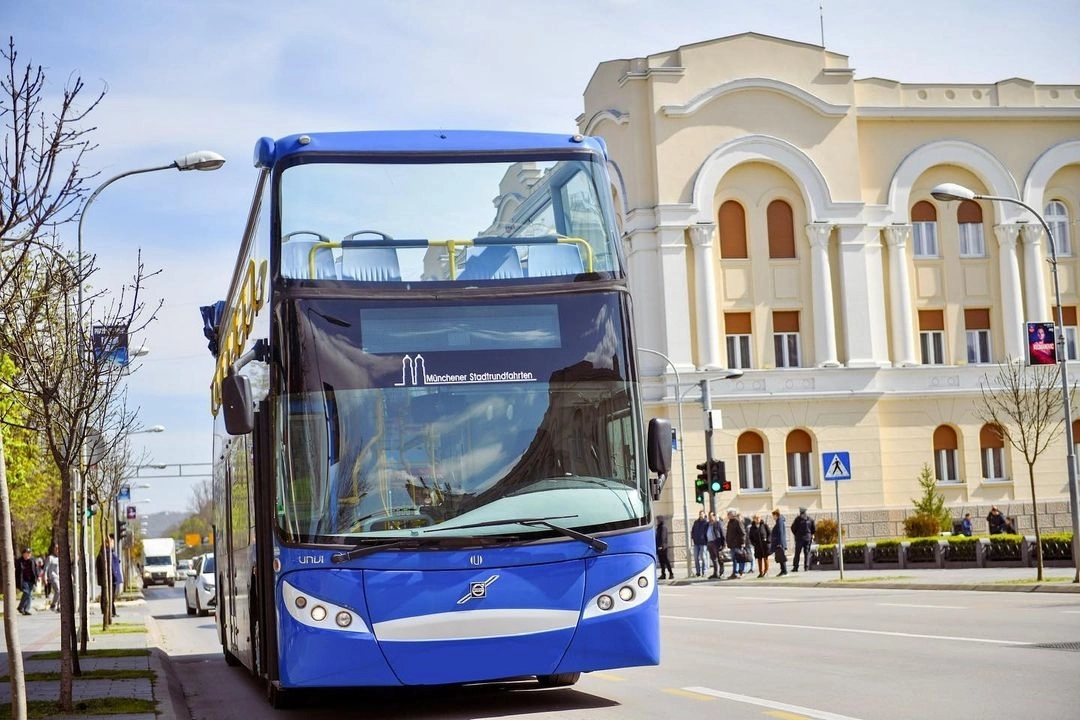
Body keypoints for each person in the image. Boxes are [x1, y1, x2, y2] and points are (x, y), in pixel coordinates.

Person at [95, 534, 123, 617]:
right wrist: (114, 577)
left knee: (110, 596)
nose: (113, 544)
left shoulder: (110, 552)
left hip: (111, 578)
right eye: (112, 543)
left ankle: (111, 611)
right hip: (108, 578)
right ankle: (107, 611)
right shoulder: (105, 554)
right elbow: (110, 567)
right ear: (107, 543)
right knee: (108, 596)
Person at [791, 507, 816, 572]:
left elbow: (793, 528)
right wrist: (811, 535)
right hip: (807, 538)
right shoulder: (810, 519)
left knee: (798, 553)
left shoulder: (797, 519)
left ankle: (796, 567)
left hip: (800, 538)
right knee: (806, 553)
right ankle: (806, 567)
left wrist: (796, 534)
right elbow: (813, 529)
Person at [725, 510, 746, 579]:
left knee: (740, 558)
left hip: (738, 544)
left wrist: (743, 542)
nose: (728, 516)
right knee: (734, 559)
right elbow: (728, 533)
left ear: (732, 515)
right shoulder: (729, 523)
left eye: (729, 514)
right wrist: (728, 542)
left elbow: (742, 533)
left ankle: (741, 572)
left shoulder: (737, 522)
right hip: (732, 545)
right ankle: (734, 573)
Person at [705, 511, 726, 579]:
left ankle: (721, 573)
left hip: (716, 543)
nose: (710, 518)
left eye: (711, 516)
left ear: (714, 516)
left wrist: (723, 544)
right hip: (710, 543)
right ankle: (715, 573)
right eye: (709, 516)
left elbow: (722, 533)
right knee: (713, 559)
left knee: (720, 559)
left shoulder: (717, 524)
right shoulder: (707, 524)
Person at [16, 547, 36, 615]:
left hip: (31, 580)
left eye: (29, 553)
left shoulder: (32, 560)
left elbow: (35, 570)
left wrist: (37, 577)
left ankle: (26, 609)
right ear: (23, 554)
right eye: (27, 553)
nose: (28, 555)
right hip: (23, 580)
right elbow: (17, 572)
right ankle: (20, 607)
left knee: (30, 595)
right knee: (27, 592)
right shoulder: (19, 561)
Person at [690, 510, 709, 578]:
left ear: (704, 515)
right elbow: (693, 530)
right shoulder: (696, 522)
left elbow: (707, 532)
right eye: (700, 514)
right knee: (695, 557)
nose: (701, 515)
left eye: (702, 514)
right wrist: (693, 537)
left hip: (703, 543)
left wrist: (705, 539)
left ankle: (704, 571)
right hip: (696, 543)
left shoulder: (706, 523)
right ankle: (698, 572)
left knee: (703, 557)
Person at [770, 508, 789, 576]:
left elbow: (780, 532)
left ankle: (785, 571)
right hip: (778, 542)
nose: (773, 517)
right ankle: (782, 571)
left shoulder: (780, 521)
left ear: (776, 515)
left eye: (773, 516)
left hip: (780, 543)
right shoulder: (779, 521)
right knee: (780, 557)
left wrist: (780, 543)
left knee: (781, 557)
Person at [655, 516, 674, 580]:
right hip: (659, 547)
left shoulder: (663, 528)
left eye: (658, 520)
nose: (657, 521)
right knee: (661, 562)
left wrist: (661, 546)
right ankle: (663, 574)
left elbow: (663, 538)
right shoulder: (658, 528)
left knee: (666, 561)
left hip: (663, 547)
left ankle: (671, 573)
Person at [46, 544, 61, 611]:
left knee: (61, 592)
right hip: (53, 577)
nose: (57, 550)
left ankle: (59, 606)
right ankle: (53, 604)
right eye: (56, 549)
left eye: (58, 549)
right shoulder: (50, 558)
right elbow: (46, 568)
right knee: (58, 590)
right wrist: (45, 577)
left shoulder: (61, 558)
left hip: (60, 577)